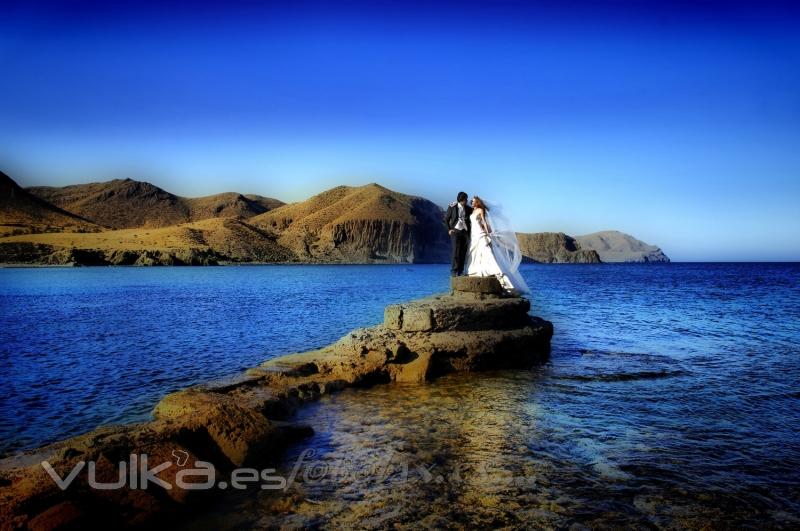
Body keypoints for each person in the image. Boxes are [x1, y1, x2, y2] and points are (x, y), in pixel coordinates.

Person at [464, 196, 530, 295]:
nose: (471, 202)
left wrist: (487, 232)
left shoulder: (481, 210)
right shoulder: (472, 211)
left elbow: (484, 222)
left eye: (473, 201)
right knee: (474, 251)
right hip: (473, 233)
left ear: (477, 202)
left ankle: (493, 270)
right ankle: (475, 270)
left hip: (480, 232)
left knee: (486, 251)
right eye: (471, 201)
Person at [444, 191, 472, 276]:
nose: (466, 201)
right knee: (455, 251)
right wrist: (449, 229)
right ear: (461, 199)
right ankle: (454, 271)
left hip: (465, 232)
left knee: (463, 252)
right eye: (465, 199)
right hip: (455, 231)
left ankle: (460, 270)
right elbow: (446, 219)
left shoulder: (468, 208)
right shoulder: (452, 206)